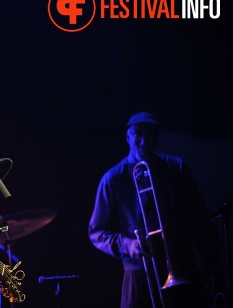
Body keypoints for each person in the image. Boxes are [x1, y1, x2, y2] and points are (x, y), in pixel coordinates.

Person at [88, 111, 221, 308]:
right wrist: (129, 245)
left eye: (150, 134)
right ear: (127, 137)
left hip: (183, 269)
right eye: (138, 134)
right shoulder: (112, 179)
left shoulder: (176, 168)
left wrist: (213, 265)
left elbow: (200, 221)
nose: (144, 141)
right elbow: (97, 232)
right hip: (140, 272)